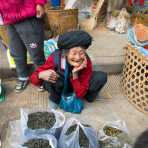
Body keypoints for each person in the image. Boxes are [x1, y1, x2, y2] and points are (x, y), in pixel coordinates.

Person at [30, 30, 107, 109]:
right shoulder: (55, 57)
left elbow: (80, 94)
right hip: (62, 84)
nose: (78, 58)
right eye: (74, 53)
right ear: (65, 53)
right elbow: (33, 79)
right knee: (52, 77)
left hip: (77, 84)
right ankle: (55, 99)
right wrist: (40, 75)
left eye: (81, 53)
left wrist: (75, 74)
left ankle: (88, 96)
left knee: (100, 77)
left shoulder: (86, 61)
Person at [0, 0, 47, 92]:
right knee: (16, 51)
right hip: (9, 17)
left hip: (27, 14)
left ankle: (43, 77)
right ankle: (23, 77)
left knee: (36, 52)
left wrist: (39, 3)